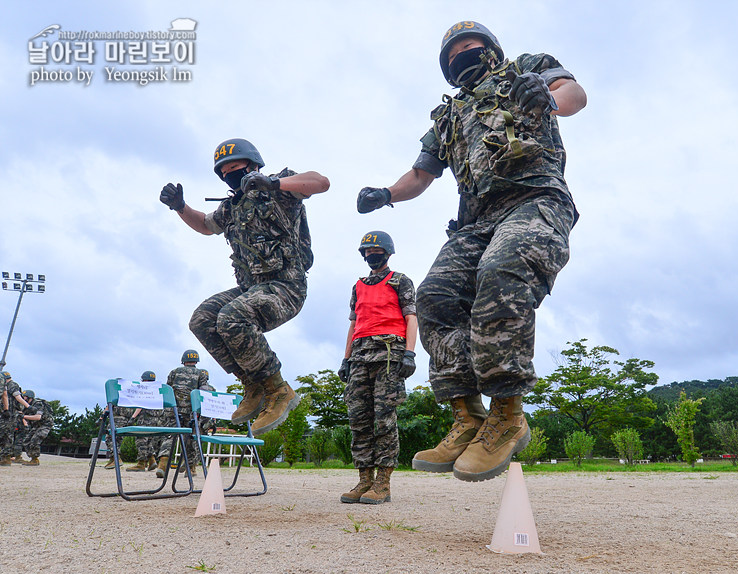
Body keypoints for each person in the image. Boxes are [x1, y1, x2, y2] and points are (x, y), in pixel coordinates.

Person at [357, 21, 586, 482]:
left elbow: (573, 93)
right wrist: (386, 193)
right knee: (435, 298)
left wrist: (545, 97)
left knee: (501, 275)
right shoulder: (446, 118)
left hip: (534, 197)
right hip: (476, 220)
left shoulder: (524, 69)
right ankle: (467, 415)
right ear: (447, 67)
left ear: (490, 48)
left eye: (472, 44)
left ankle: (507, 414)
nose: (464, 51)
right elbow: (421, 175)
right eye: (454, 50)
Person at [160, 138, 329, 436]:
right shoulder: (232, 208)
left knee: (231, 317)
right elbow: (204, 224)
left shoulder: (280, 189)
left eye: (235, 167)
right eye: (224, 172)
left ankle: (278, 391)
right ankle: (253, 383)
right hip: (252, 289)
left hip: (286, 286)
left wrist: (274, 184)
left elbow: (321, 182)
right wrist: (180, 207)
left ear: (253, 166)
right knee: (202, 319)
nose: (229, 174)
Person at [338, 231, 418, 504]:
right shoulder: (358, 285)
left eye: (375, 251)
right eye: (367, 252)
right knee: (358, 419)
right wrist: (345, 359)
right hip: (360, 356)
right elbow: (353, 323)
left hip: (388, 354)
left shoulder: (400, 281)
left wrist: (410, 353)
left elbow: (411, 317)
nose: (371, 256)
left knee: (383, 420)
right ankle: (364, 481)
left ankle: (383, 484)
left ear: (387, 252)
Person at [154, 350, 208, 478]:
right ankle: (190, 467)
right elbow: (203, 393)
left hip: (174, 411)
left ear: (183, 360)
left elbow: (168, 390)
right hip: (191, 413)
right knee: (191, 438)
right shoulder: (201, 374)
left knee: (169, 436)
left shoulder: (174, 372)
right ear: (196, 361)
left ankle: (163, 463)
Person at [125, 370, 162, 472]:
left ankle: (141, 463)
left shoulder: (145, 390)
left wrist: (133, 418)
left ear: (144, 380)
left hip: (145, 419)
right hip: (156, 420)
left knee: (141, 439)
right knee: (149, 440)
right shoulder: (157, 390)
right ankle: (152, 461)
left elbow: (140, 405)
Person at [20, 390, 53, 466]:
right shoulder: (26, 406)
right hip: (36, 425)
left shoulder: (37, 404)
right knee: (26, 441)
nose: (23, 399)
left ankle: (35, 459)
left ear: (29, 397)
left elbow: (38, 417)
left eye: (24, 397)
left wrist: (23, 416)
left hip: (45, 424)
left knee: (35, 439)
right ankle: (32, 458)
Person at [0, 371, 23, 466]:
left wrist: (6, 410)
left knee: (6, 435)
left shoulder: (12, 385)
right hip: (7, 413)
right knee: (6, 435)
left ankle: (6, 458)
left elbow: (17, 397)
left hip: (9, 415)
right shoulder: (7, 385)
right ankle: (5, 458)